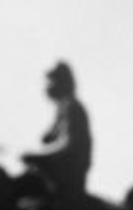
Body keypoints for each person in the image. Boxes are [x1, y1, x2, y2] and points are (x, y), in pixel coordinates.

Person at [21, 60, 93, 200]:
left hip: (67, 180)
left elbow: (70, 145)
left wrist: (37, 156)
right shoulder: (62, 110)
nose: (48, 86)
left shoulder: (73, 108)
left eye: (52, 81)